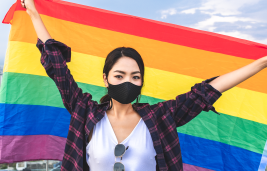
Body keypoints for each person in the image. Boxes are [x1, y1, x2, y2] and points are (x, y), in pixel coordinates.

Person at [21, 0, 267, 170]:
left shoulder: (160, 117)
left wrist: (262, 63)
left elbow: (207, 92)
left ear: (141, 81)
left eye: (135, 76)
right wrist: (33, 11)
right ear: (105, 79)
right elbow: (56, 65)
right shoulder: (85, 111)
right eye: (119, 76)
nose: (127, 82)